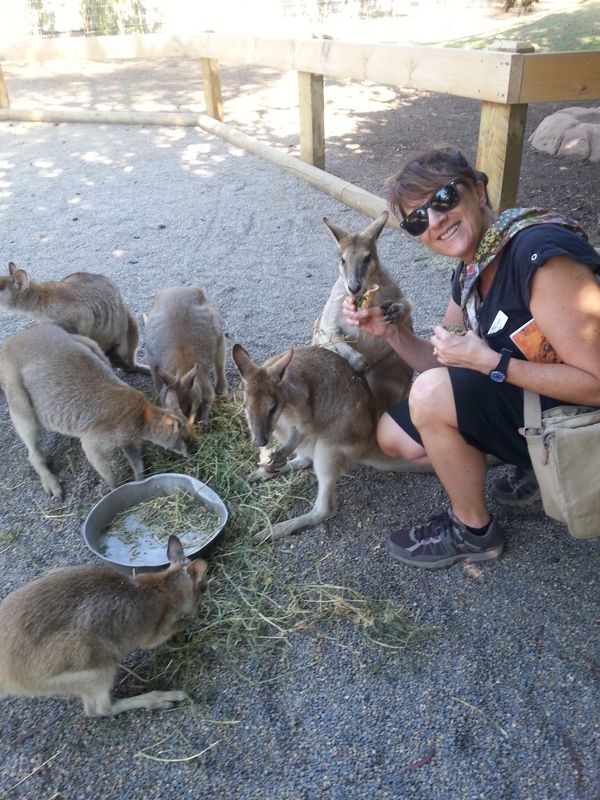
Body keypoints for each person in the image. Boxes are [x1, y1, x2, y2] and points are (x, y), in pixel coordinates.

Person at [343, 146, 600, 570]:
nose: (435, 219)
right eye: (417, 219)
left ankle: (473, 530)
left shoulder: (538, 257)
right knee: (395, 435)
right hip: (534, 397)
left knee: (428, 397)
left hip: (580, 412)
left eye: (443, 198)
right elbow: (440, 360)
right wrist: (389, 331)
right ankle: (532, 462)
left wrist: (492, 364)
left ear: (478, 192)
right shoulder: (471, 270)